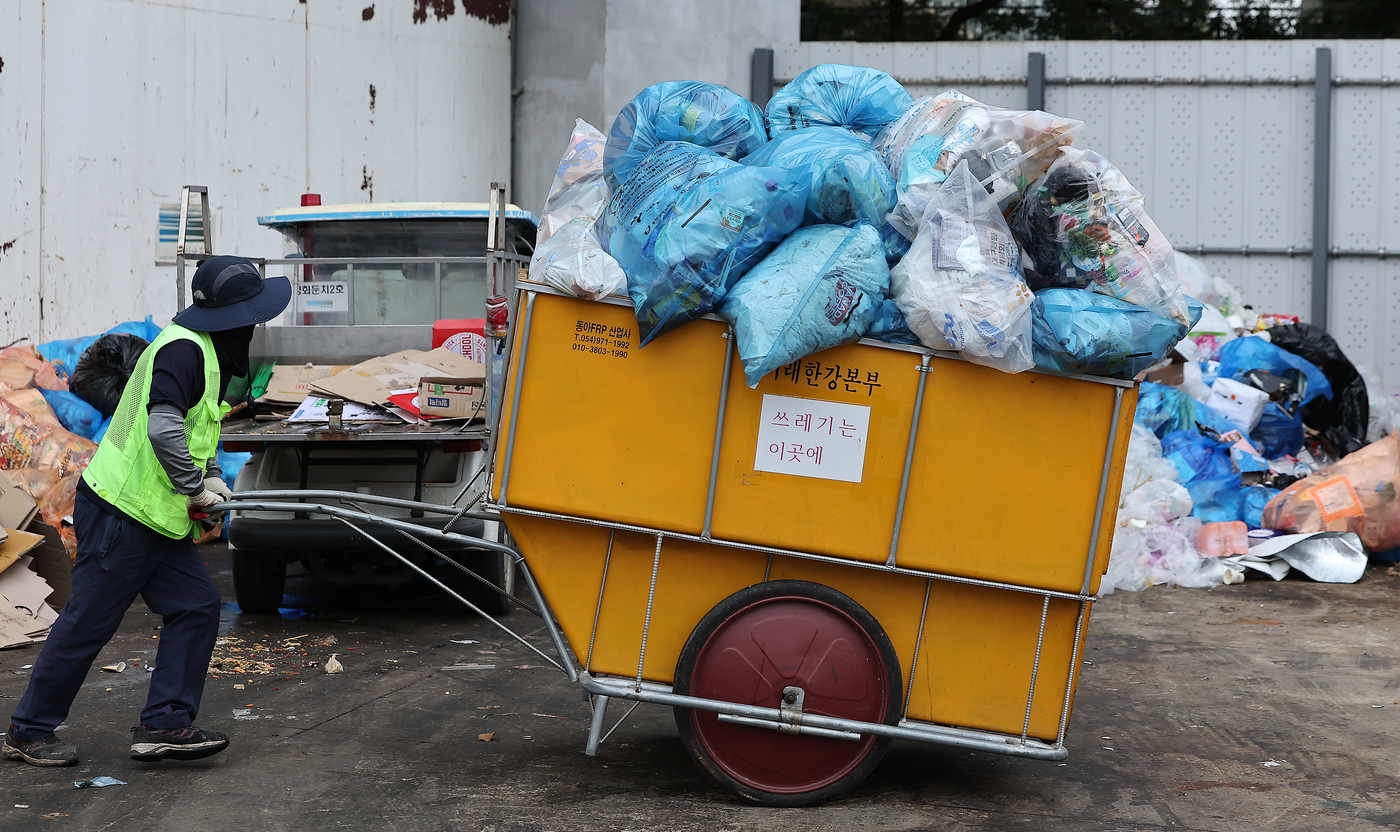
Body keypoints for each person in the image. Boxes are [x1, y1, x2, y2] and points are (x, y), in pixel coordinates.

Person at [3, 257, 291, 766]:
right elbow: (162, 430)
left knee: (196, 607)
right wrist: (195, 489)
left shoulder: (202, 350)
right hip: (124, 512)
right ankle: (28, 730)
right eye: (252, 314)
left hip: (154, 515)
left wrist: (212, 478)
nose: (255, 326)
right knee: (89, 621)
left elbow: (196, 427)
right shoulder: (184, 351)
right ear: (234, 317)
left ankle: (165, 725)